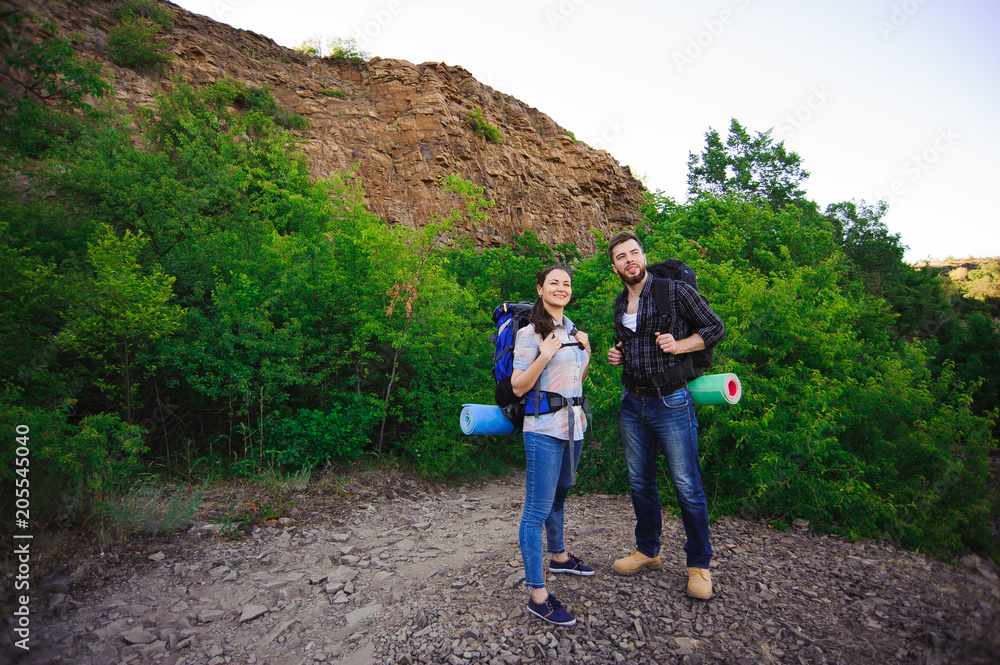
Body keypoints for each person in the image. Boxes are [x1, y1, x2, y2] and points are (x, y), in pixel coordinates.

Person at [605, 231, 726, 600]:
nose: (630, 260)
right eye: (621, 257)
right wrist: (619, 355)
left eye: (634, 253)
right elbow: (634, 345)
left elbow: (715, 327)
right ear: (615, 267)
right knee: (640, 482)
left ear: (643, 256)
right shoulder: (618, 304)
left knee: (687, 486)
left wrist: (682, 344)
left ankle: (700, 565)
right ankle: (648, 551)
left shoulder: (675, 291)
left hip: (672, 401)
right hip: (633, 402)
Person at [512, 265, 593, 627]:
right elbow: (518, 386)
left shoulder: (574, 331)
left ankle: (559, 556)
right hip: (543, 429)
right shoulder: (531, 333)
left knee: (560, 497)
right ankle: (537, 595)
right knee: (536, 511)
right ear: (541, 289)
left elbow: (574, 382)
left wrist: (586, 353)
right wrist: (544, 354)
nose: (561, 288)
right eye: (554, 283)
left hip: (573, 426)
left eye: (566, 283)